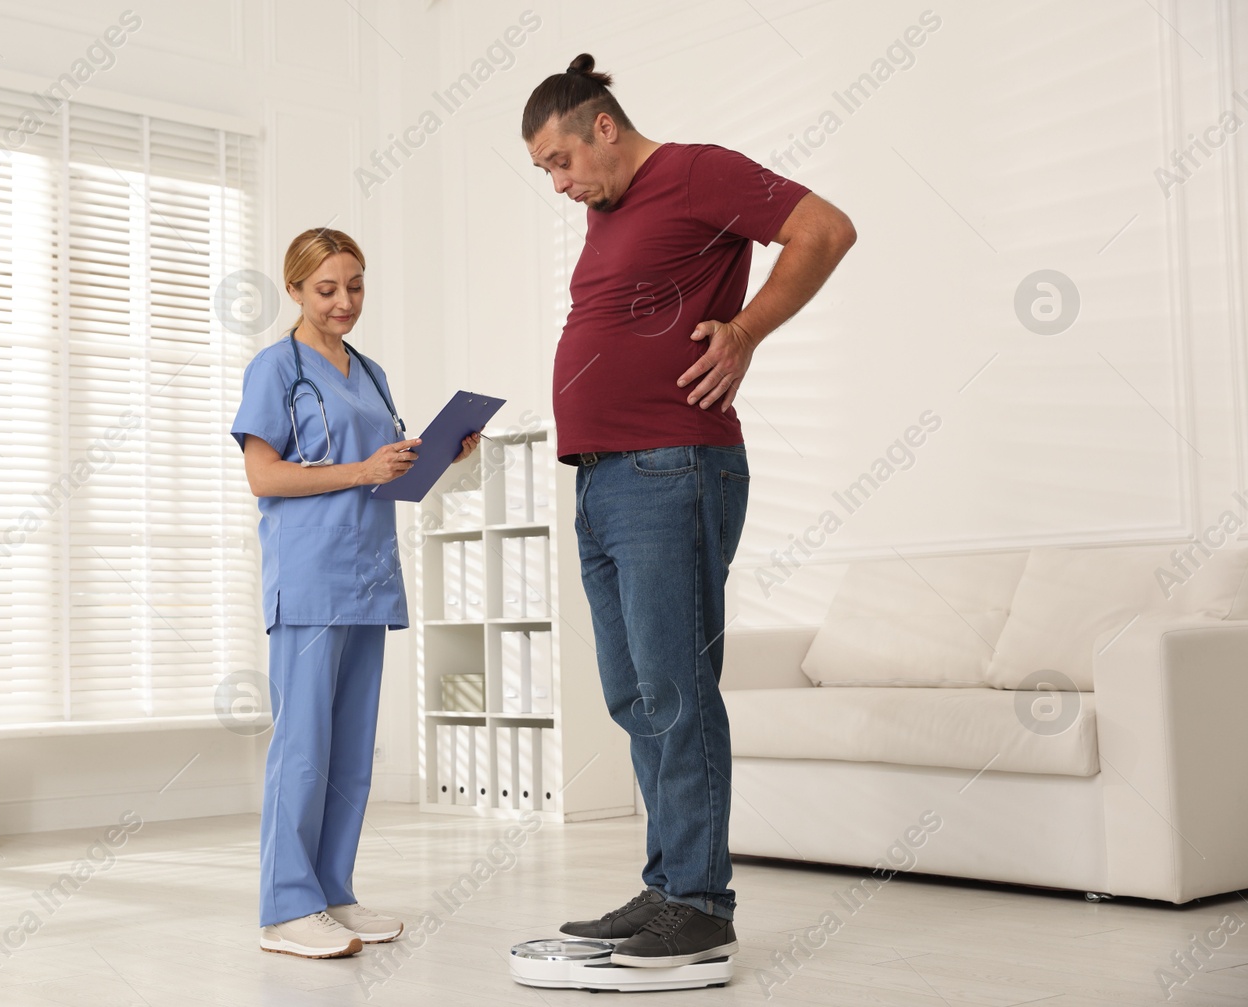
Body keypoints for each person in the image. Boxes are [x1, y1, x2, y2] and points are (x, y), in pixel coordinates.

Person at [520, 55, 856, 968]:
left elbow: (826, 228)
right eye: (543, 172)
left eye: (559, 160)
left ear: (602, 125)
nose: (558, 184)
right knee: (635, 693)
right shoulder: (608, 211)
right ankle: (670, 885)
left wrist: (744, 332)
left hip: (674, 467)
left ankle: (702, 902)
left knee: (675, 685)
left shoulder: (698, 170)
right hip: (603, 479)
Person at [231, 227, 480, 959]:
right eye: (327, 289)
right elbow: (264, 475)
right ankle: (285, 906)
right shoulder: (275, 368)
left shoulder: (369, 371)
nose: (345, 302)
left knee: (350, 752)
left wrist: (446, 457)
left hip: (368, 575)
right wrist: (362, 471)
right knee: (303, 748)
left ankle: (332, 893)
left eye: (356, 285)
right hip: (309, 576)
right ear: (296, 291)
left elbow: (391, 477)